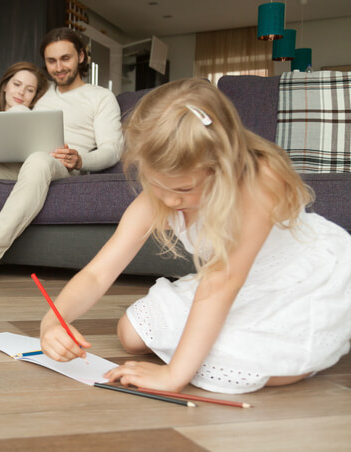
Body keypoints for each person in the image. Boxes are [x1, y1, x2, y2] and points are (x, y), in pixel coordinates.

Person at [40, 78, 351, 394]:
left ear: (221, 166)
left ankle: (305, 352)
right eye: (156, 183)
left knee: (246, 361)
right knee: (131, 334)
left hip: (294, 280)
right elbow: (98, 273)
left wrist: (174, 375)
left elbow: (221, 284)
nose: (170, 200)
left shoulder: (258, 183)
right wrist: (53, 320)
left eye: (184, 189)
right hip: (227, 281)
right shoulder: (159, 195)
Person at [0, 28, 122, 285]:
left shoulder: (101, 97)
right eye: (51, 61)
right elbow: (1, 90)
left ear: (82, 57)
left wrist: (81, 159)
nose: (59, 67)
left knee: (39, 158)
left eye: (66, 58)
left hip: (58, 165)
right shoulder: (41, 92)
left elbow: (112, 149)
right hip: (13, 163)